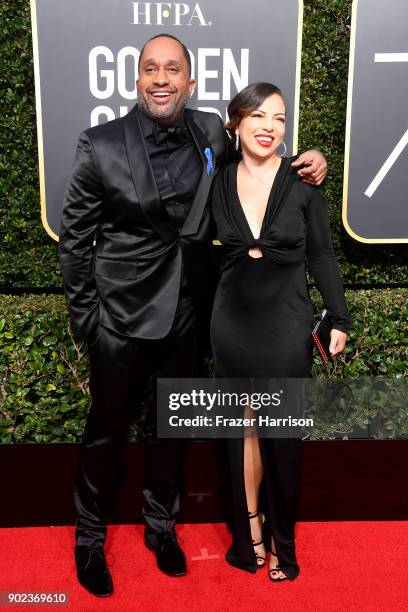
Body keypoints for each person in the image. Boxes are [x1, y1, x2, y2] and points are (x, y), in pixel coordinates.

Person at [59, 33, 328, 597]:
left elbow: (260, 149)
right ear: (135, 80)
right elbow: (75, 241)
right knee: (105, 433)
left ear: (190, 80)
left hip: (186, 312)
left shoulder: (210, 130)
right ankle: (89, 539)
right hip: (119, 317)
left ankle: (162, 528)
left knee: (168, 431)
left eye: (173, 69)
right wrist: (89, 322)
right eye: (151, 70)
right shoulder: (99, 144)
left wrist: (309, 159)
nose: (162, 79)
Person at [210, 82, 350, 582]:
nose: (270, 126)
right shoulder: (217, 180)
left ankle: (282, 541)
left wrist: (339, 316)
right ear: (237, 122)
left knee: (280, 435)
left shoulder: (303, 184)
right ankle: (248, 531)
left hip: (286, 323)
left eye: (280, 118)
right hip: (231, 324)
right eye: (260, 115)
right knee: (242, 431)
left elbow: (321, 255)